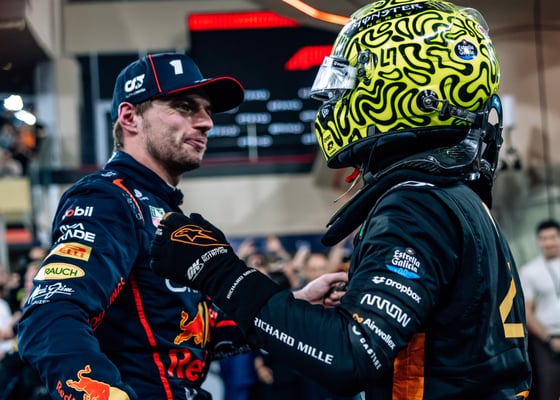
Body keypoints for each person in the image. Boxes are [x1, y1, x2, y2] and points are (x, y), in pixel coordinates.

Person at [149, 1, 532, 399]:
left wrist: (218, 271)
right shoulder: (454, 198)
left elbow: (350, 355)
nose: (333, 103)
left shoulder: (417, 204)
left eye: (347, 85)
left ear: (402, 88)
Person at [16, 52, 344, 400]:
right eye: (185, 107)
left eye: (207, 110)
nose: (206, 123)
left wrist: (294, 303)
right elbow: (49, 317)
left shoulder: (161, 208)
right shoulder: (108, 199)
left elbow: (193, 332)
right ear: (129, 117)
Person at [519, 219, 560, 400]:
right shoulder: (530, 271)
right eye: (544, 238)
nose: (549, 242)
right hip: (546, 342)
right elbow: (527, 311)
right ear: (538, 241)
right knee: (549, 389)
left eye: (553, 237)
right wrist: (550, 339)